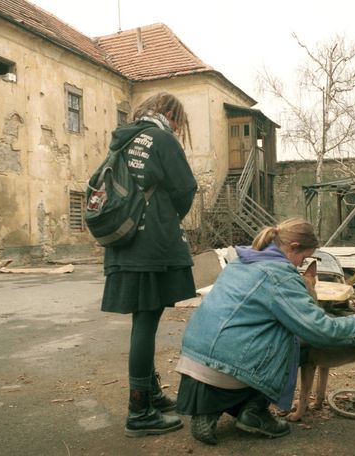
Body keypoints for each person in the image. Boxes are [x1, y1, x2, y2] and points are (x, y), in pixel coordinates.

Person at [175, 218, 355, 445]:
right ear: (293, 247)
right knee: (298, 344)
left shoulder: (240, 260)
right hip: (226, 364)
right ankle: (254, 412)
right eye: (303, 258)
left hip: (192, 356)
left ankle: (206, 411)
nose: (300, 265)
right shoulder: (281, 275)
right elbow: (319, 329)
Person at [100, 92, 198, 437]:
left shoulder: (123, 140)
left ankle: (150, 394)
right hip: (150, 244)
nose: (177, 127)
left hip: (124, 243)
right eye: (178, 121)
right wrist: (169, 220)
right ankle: (139, 410)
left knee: (145, 319)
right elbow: (186, 188)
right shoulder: (161, 138)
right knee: (145, 321)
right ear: (169, 113)